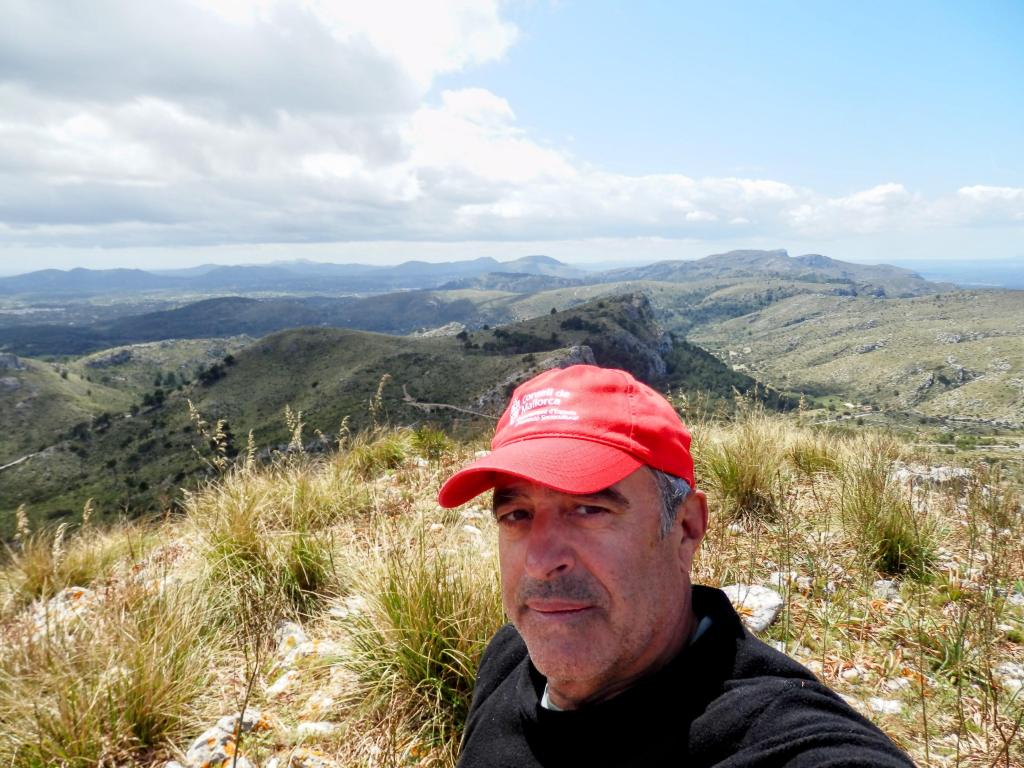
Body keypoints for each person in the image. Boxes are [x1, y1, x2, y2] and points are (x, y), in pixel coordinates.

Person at [437, 364, 914, 767]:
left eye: (589, 510)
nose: (541, 563)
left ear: (686, 527)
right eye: (516, 515)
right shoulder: (510, 655)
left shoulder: (775, 736)